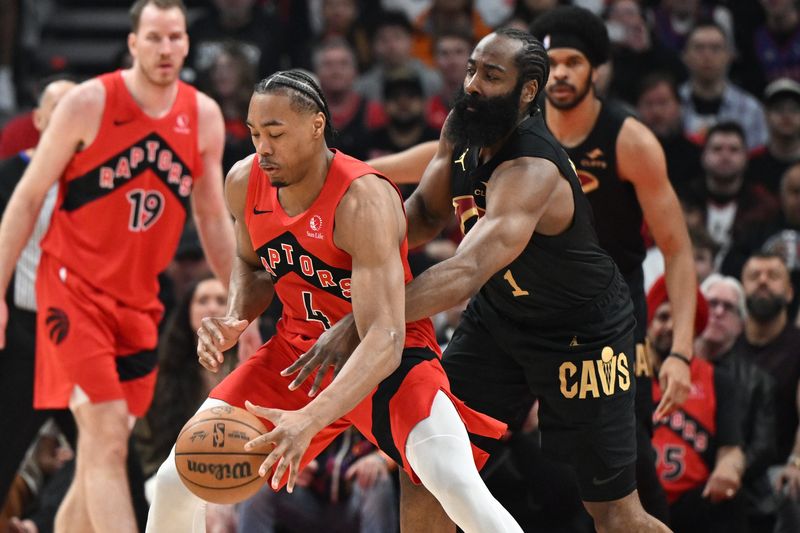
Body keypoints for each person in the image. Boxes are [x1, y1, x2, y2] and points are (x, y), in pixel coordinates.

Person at [290, 27, 673, 532]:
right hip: (498, 321)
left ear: (528, 91)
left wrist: (366, 317)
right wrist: (348, 252)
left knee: (615, 513)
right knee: (425, 464)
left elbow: (465, 271)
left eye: (491, 76)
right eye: (472, 68)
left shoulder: (532, 169)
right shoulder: (462, 125)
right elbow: (423, 212)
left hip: (579, 334)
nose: (471, 84)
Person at [145, 69, 521, 533]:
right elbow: (253, 264)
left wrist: (309, 419)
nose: (262, 147)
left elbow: (385, 335)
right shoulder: (245, 181)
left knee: (456, 483)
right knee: (175, 479)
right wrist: (236, 316)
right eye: (255, 132)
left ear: (317, 125)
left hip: (387, 358)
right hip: (297, 355)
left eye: (275, 133)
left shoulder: (363, 198)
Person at [0, 1, 236, 532]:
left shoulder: (201, 116)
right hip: (71, 292)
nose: (166, 49)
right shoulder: (88, 103)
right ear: (132, 43)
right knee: (104, 437)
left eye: (175, 37)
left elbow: (213, 219)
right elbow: (26, 196)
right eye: (154, 38)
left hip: (138, 304)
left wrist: (238, 302)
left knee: (98, 458)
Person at [528, 6, 697, 522]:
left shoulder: (630, 138)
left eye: (572, 61)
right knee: (542, 456)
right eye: (550, 62)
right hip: (539, 302)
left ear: (595, 68)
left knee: (625, 453)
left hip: (614, 304)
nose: (559, 72)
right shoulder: (523, 131)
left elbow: (677, 249)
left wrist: (682, 353)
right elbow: (444, 154)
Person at [647, 275, 747, 533]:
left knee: (731, 502)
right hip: (635, 501)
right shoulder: (630, 377)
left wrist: (729, 469)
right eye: (662, 317)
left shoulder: (718, 380)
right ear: (648, 325)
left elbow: (731, 449)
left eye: (679, 321)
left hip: (694, 503)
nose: (670, 326)